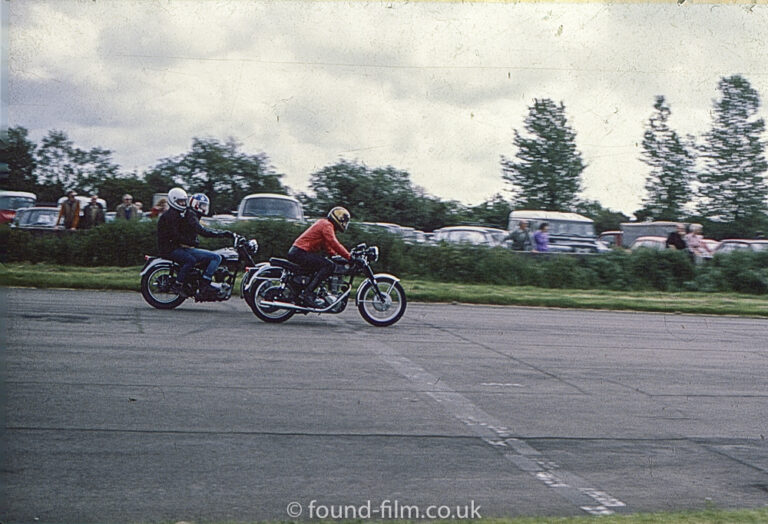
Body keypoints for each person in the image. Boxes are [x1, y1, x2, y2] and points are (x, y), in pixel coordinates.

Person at [156, 188, 234, 298]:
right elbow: (177, 235)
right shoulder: (175, 216)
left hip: (175, 247)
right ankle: (198, 285)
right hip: (169, 249)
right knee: (205, 258)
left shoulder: (183, 214)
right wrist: (223, 234)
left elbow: (195, 230)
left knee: (209, 257)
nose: (183, 203)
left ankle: (204, 282)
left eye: (184, 201)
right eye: (180, 202)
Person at [287, 206, 352, 307]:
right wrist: (349, 257)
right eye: (344, 221)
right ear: (338, 218)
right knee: (328, 266)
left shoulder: (325, 224)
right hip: (300, 252)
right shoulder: (327, 225)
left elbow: (327, 246)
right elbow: (333, 242)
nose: (344, 224)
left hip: (299, 252)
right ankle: (307, 294)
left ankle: (311, 293)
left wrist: (335, 255)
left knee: (325, 264)